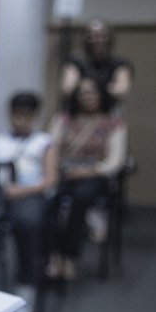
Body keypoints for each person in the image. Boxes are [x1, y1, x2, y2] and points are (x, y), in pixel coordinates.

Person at [45, 76, 127, 281]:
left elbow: (114, 160)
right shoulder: (62, 119)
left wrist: (86, 172)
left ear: (101, 95)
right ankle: (54, 255)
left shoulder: (114, 123)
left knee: (80, 198)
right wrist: (54, 170)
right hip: (63, 172)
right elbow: (49, 148)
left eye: (92, 92)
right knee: (48, 199)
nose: (87, 97)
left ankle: (70, 256)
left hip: (95, 175)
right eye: (82, 93)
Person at [0, 92, 56, 312]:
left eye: (26, 116)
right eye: (16, 115)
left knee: (27, 223)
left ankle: (26, 283)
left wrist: (21, 191)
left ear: (34, 116)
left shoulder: (44, 142)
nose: (20, 120)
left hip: (29, 195)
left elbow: (50, 179)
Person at [60, 18, 133, 104]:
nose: (98, 40)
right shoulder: (75, 61)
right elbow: (67, 88)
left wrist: (91, 86)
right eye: (93, 36)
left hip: (107, 111)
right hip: (77, 111)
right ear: (86, 38)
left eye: (101, 36)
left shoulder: (119, 63)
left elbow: (121, 91)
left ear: (109, 38)